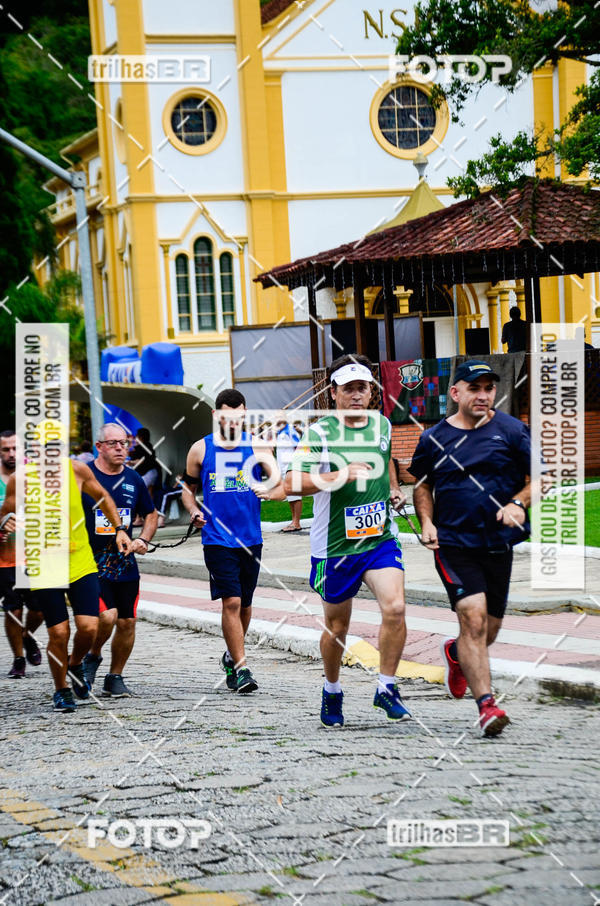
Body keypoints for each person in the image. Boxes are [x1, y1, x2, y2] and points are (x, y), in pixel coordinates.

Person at [284, 354, 411, 728]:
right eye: (349, 389)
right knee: (337, 627)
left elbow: (386, 458)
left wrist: (393, 488)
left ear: (372, 392)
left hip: (378, 538)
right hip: (335, 547)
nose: (357, 395)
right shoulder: (319, 434)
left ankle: (386, 687)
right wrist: (339, 475)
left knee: (395, 607)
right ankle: (332, 688)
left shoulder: (382, 424)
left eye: (363, 388)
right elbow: (291, 483)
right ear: (334, 394)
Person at [408, 360, 531, 737]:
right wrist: (427, 522)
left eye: (489, 388)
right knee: (473, 620)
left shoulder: (512, 430)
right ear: (455, 392)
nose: (483, 395)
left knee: (488, 630)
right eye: (474, 388)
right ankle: (487, 706)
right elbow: (422, 485)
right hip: (453, 543)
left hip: (497, 544)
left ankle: (456, 653)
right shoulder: (434, 438)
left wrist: (519, 503)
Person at [0, 422, 133, 712]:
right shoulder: (20, 480)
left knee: (88, 627)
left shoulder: (77, 470)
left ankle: (75, 664)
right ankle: (61, 690)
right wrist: (4, 523)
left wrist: (120, 529)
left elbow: (103, 498)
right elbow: (5, 514)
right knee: (58, 632)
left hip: (80, 560)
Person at [182, 388, 285, 694]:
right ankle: (242, 669)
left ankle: (230, 655)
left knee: (246, 605)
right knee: (232, 601)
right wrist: (193, 510)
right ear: (216, 415)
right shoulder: (200, 449)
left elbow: (279, 485)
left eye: (238, 417)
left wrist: (269, 488)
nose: (233, 422)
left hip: (250, 537)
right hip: (216, 538)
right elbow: (187, 489)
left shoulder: (257, 446)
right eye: (227, 417)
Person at [81, 423, 158, 697]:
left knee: (127, 622)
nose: (119, 448)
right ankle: (92, 655)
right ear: (99, 447)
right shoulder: (84, 476)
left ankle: (115, 676)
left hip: (125, 565)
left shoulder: (133, 478)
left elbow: (151, 514)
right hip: (90, 563)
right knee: (106, 616)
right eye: (112, 443)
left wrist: (143, 539)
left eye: (124, 443)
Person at [0, 430, 44, 677]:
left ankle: (27, 637)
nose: (11, 454)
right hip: (5, 559)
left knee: (39, 610)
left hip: (35, 556)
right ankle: (18, 659)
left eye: (15, 449)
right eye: (6, 449)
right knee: (13, 610)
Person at [275, 419, 303, 532]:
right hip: (284, 467)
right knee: (290, 495)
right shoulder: (280, 433)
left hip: (291, 467)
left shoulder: (290, 431)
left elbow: (299, 447)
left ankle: (296, 523)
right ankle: (294, 521)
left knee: (295, 495)